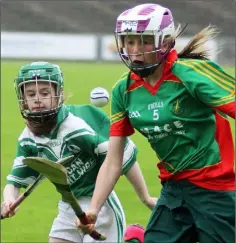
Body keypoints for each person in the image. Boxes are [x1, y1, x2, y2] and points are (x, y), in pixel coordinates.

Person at [76, 3, 235, 243]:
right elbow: (113, 159)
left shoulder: (192, 73)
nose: (136, 50)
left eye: (145, 41)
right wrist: (94, 209)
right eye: (129, 42)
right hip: (173, 192)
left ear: (164, 41)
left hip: (216, 191)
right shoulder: (124, 89)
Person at [1, 61, 157, 243]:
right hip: (68, 207)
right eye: (30, 94)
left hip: (100, 204)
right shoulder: (27, 140)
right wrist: (8, 200)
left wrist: (145, 197)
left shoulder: (77, 125)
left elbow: (123, 156)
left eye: (45, 93)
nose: (37, 99)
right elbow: (14, 180)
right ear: (23, 98)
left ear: (58, 95)